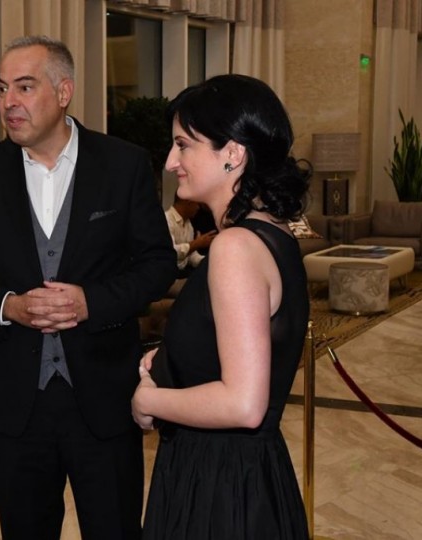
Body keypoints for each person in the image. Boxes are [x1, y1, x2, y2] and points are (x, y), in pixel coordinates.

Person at [0, 36, 176, 539]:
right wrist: (10, 306)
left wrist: (92, 302)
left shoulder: (123, 164)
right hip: (16, 406)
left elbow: (157, 265)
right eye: (2, 88)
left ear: (63, 92)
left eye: (24, 87)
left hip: (105, 400)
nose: (9, 102)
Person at [131, 74, 312, 539]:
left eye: (183, 145)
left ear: (233, 153)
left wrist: (150, 399)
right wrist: (174, 359)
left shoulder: (235, 247)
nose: (171, 162)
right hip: (246, 476)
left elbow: (244, 403)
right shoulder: (272, 233)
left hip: (219, 487)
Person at [165, 194, 217, 279]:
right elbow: (171, 252)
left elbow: (190, 256)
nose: (198, 208)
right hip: (168, 275)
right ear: (188, 202)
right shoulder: (166, 220)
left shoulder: (188, 223)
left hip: (183, 272)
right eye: (197, 204)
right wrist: (197, 243)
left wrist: (209, 262)